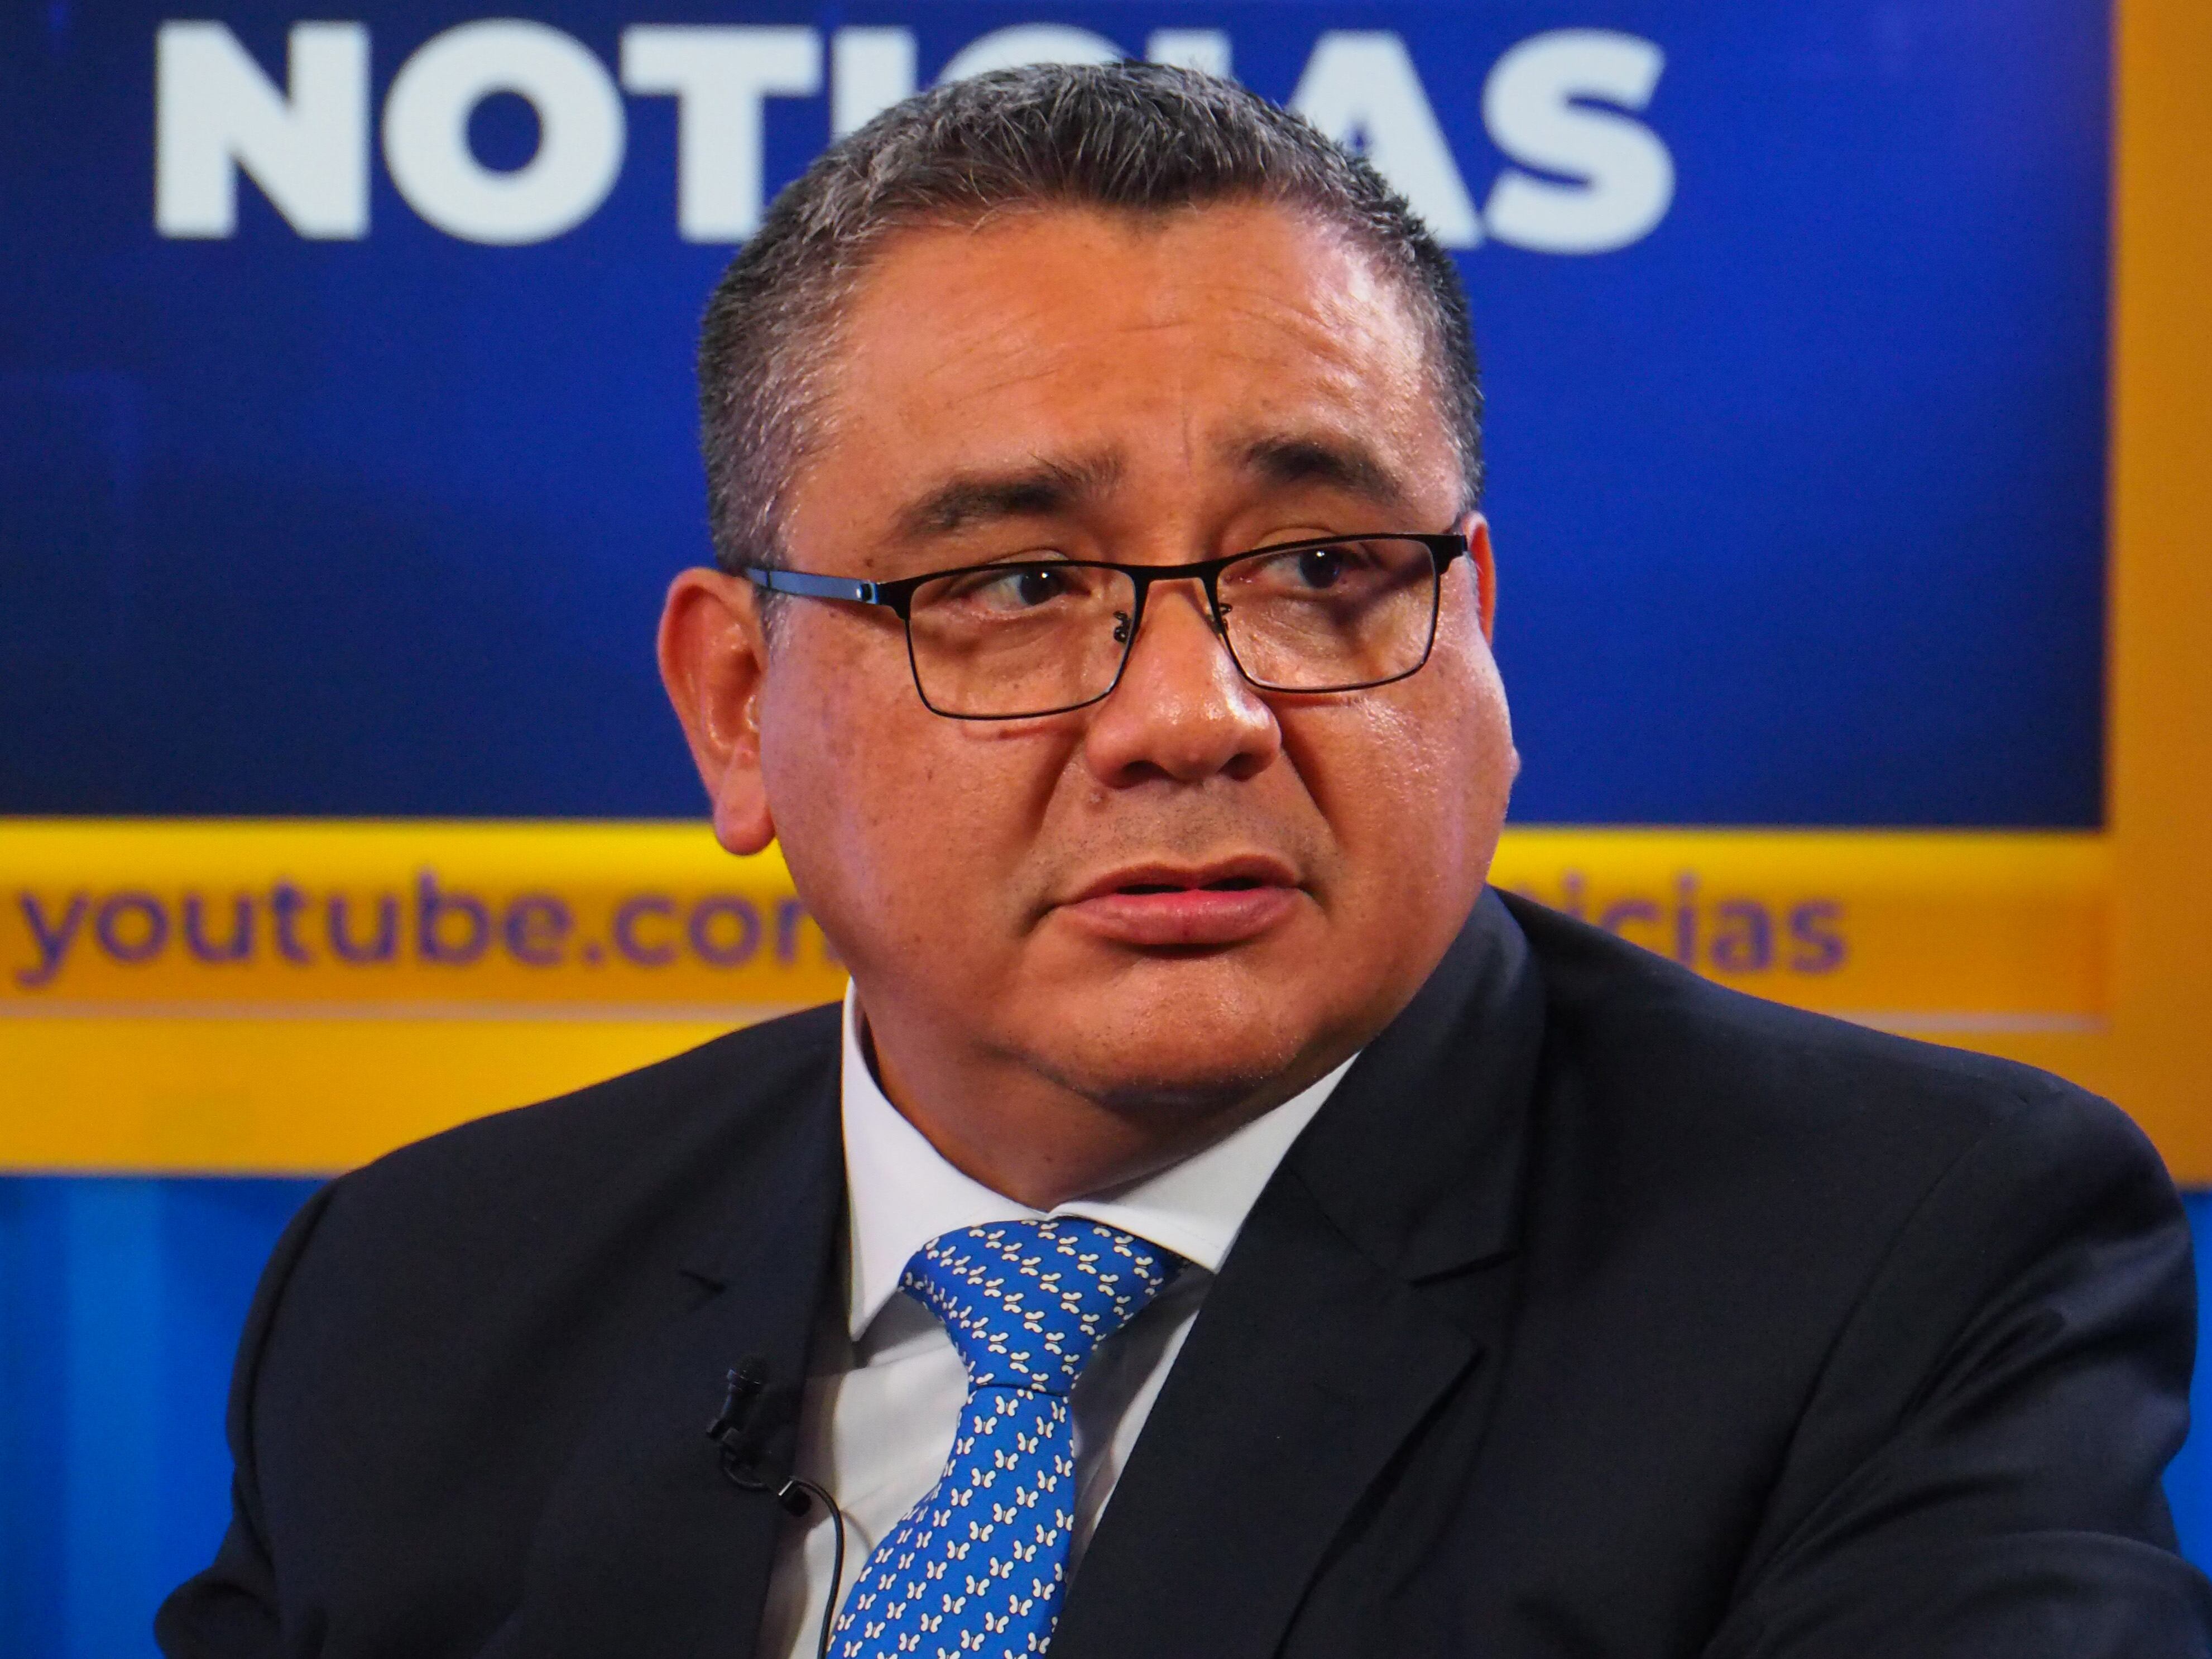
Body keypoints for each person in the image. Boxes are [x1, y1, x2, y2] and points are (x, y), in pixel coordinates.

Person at [159, 64, 2210, 1659]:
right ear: (731, 703)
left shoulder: (1898, 1261)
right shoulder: (420, 1293)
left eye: (1325, 570)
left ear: (1476, 631)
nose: (1193, 714)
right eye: (1020, 584)